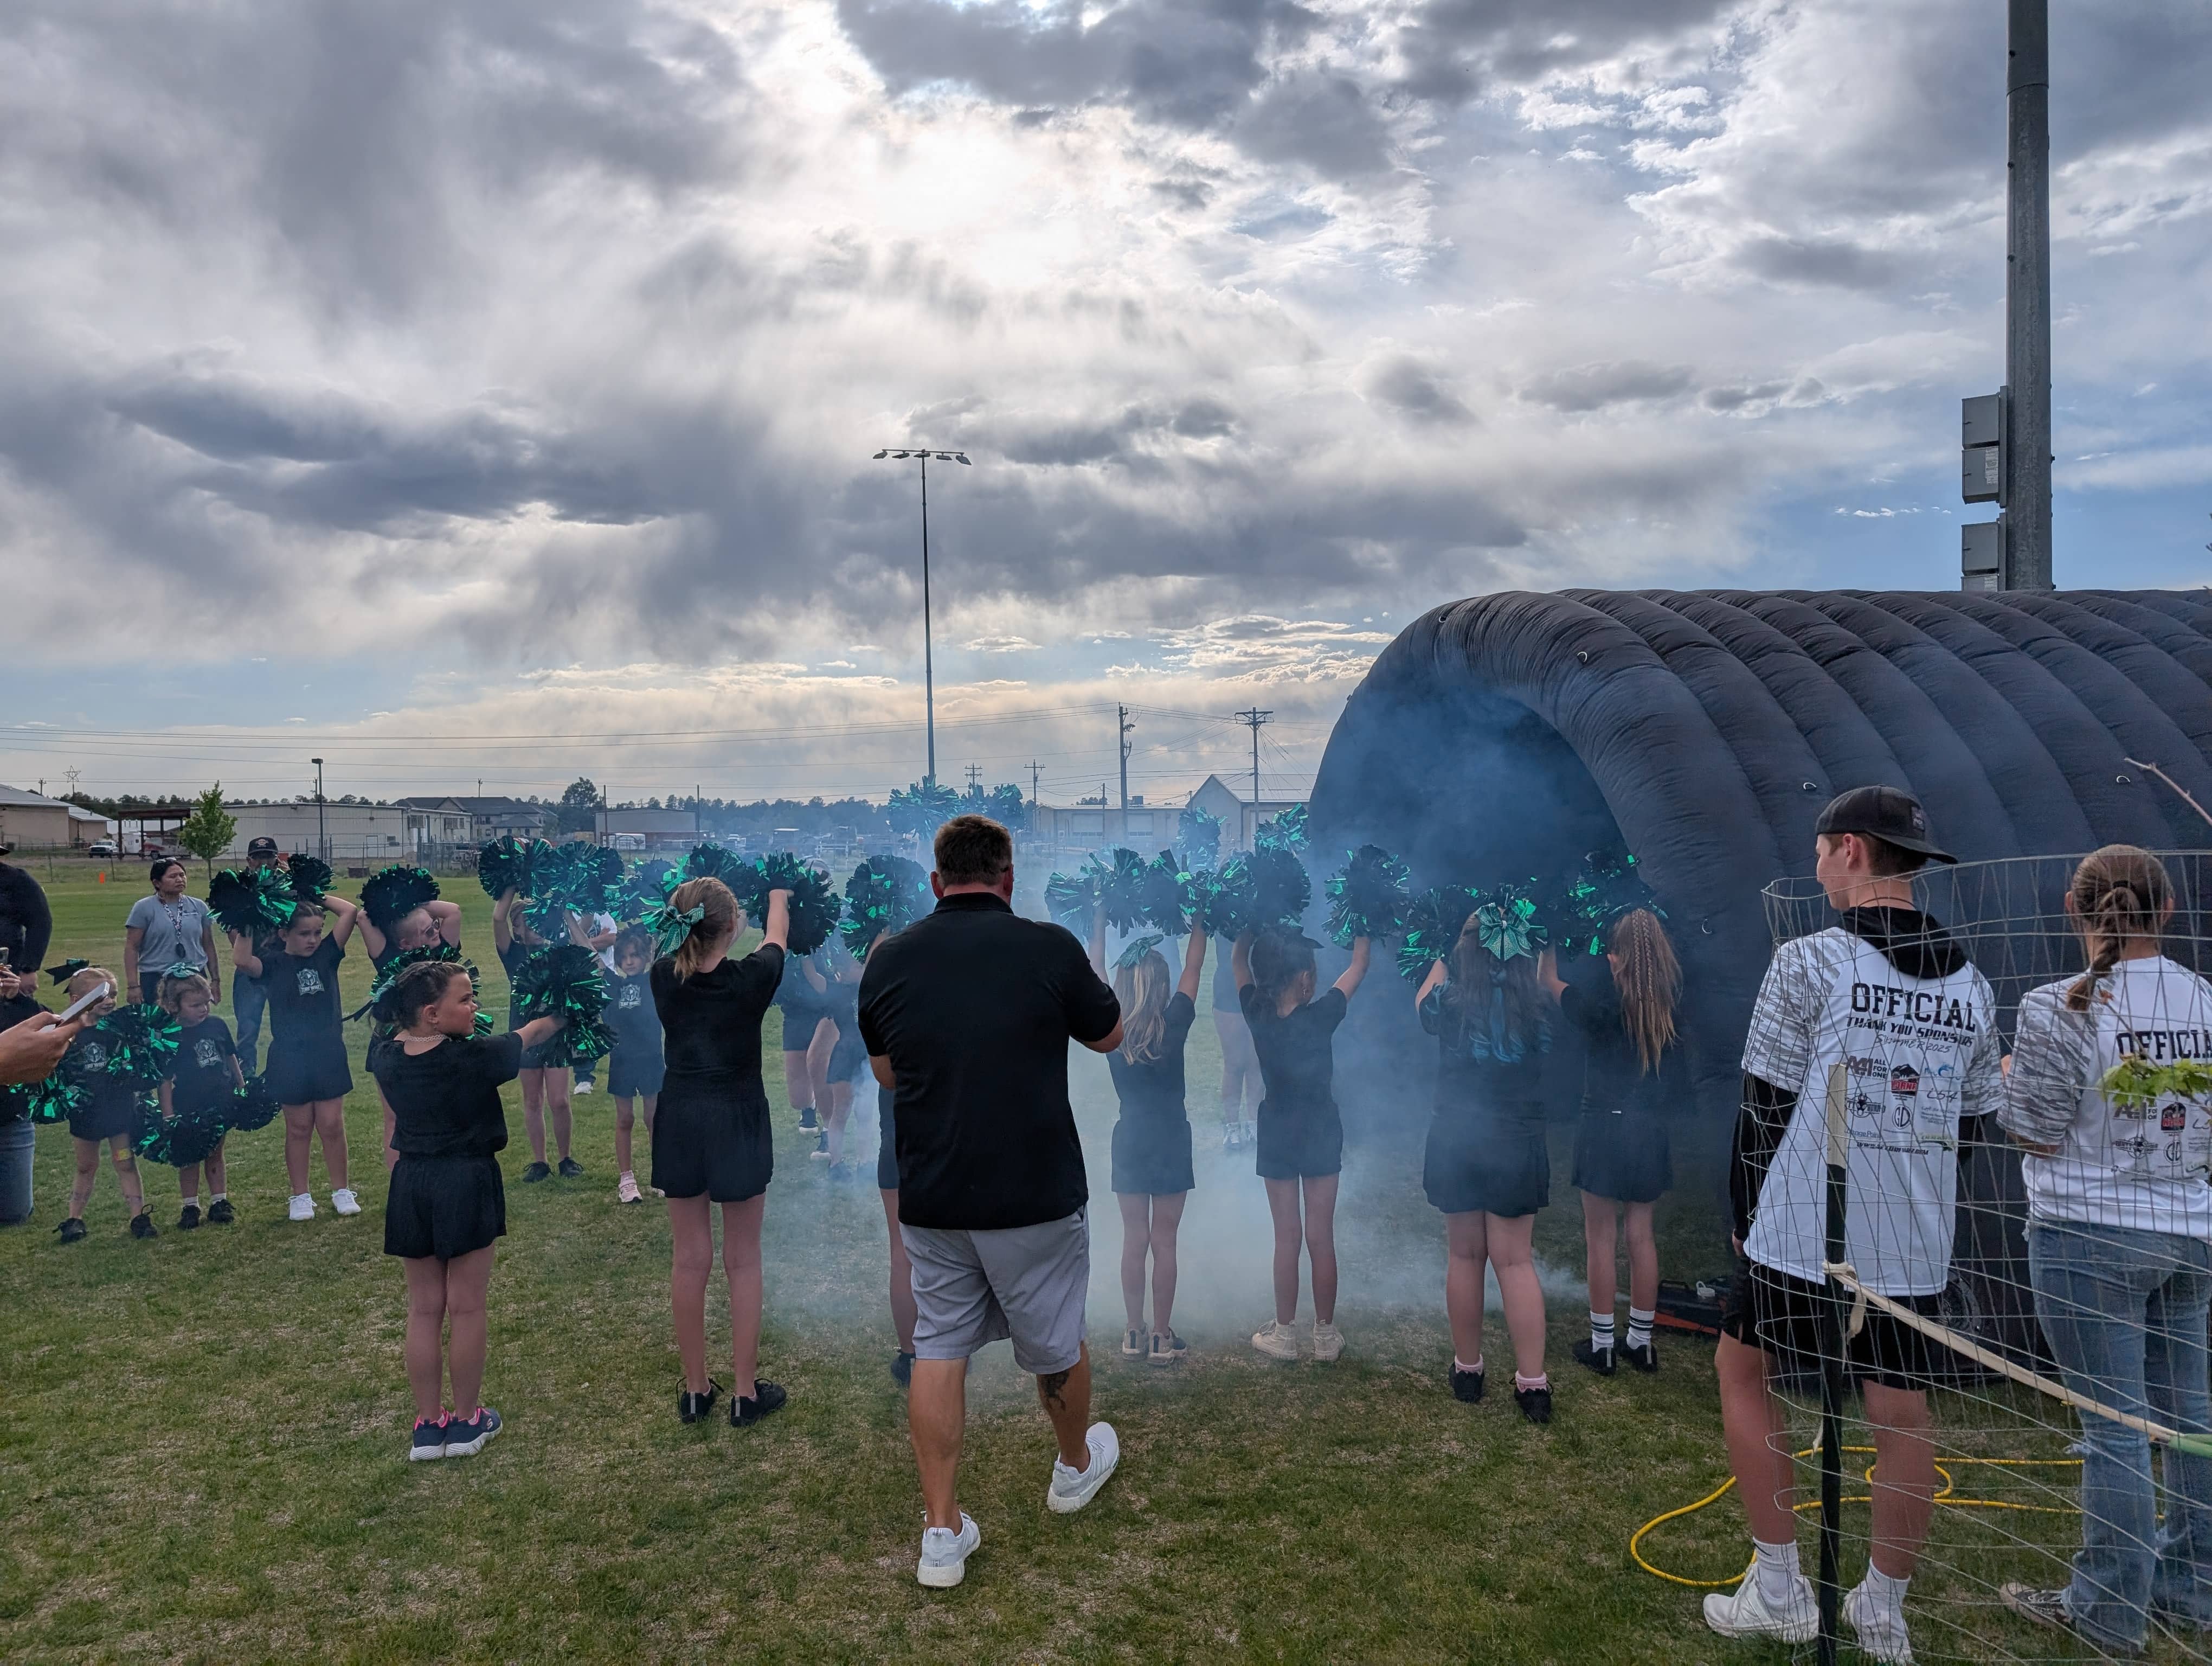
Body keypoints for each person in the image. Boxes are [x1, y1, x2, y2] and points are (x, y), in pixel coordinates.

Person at [1705, 786, 1999, 1663]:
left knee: (1743, 1368)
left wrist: (1743, 1214)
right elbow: (1973, 1122)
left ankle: (1782, 1584)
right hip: (1908, 1234)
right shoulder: (1972, 982)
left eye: (1825, 850)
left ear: (1853, 851)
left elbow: (1764, 1103)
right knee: (1901, 1412)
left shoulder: (1808, 961)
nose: (1820, 867)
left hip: (1801, 1223)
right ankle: (1883, 1610)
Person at [858, 814, 1125, 1590]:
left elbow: (884, 1074)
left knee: (938, 1345)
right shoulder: (1048, 947)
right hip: (1034, 1192)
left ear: (937, 883)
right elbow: (1108, 1035)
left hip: (934, 1190)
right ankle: (1074, 1466)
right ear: (1009, 879)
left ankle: (941, 1533)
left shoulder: (892, 960)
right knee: (1055, 1339)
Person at [1996, 847, 2212, 1651]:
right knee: (2192, 1417)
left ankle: (2109, 1612)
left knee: (2115, 1428)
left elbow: (2034, 1132)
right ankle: (2192, 1590)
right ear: (2169, 909)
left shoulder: (2060, 1004)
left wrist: (2012, 1075)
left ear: (2071, 906)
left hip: (2088, 1236)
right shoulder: (2207, 1001)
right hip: (2192, 1234)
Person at [371, 959, 567, 1462]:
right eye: (466, 999)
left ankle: (427, 1425)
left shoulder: (385, 1055)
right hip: (464, 1179)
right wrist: (567, 1003)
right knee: (466, 1306)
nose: (475, 1007)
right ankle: (466, 1420)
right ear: (433, 1014)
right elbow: (535, 1030)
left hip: (410, 1183)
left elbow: (394, 1030)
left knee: (422, 1308)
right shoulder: (475, 1057)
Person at [651, 875, 792, 1428]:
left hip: (682, 1119)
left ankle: (694, 1390)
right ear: (733, 927)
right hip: (736, 1120)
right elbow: (776, 936)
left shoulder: (663, 976)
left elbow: (685, 952)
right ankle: (742, 1392)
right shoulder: (750, 979)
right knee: (743, 1259)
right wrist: (779, 896)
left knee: (689, 1259)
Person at [1416, 905, 1555, 1420]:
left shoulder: (1447, 1001)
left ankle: (1468, 1370)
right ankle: (1532, 1385)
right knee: (1516, 1261)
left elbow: (1422, 1003)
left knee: (1465, 1257)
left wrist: (1448, 952)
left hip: (1458, 1136)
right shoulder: (1539, 1003)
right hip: (1516, 1140)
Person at [1546, 908, 1687, 1379]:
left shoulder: (1601, 1002)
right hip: (1648, 1129)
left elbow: (1551, 983)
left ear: (1619, 956)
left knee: (1600, 1238)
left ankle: (1603, 1344)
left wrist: (1547, 940)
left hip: (1603, 1126)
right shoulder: (1669, 1003)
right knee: (1641, 1237)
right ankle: (1641, 1343)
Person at [1236, 922, 1371, 1364]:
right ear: (1304, 979)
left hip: (1277, 1128)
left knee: (1287, 1237)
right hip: (1319, 1128)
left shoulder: (1256, 1010)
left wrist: (1244, 927)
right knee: (1320, 1235)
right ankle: (1326, 1336)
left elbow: (1239, 963)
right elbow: (1359, 965)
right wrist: (1365, 922)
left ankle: (1286, 1334)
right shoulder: (1323, 1014)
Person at [1089, 918, 1207, 1367]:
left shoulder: (1114, 1028)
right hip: (1172, 1136)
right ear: (1161, 988)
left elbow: (1095, 966)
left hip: (1131, 1138)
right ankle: (1161, 1335)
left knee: (1134, 1239)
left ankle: (1133, 1331)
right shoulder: (1173, 1021)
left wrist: (1097, 918)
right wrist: (1200, 919)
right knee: (1165, 1241)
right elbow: (1194, 966)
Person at [234, 895, 362, 1222]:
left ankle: (341, 1190)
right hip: (289, 1056)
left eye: (318, 932)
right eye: (305, 933)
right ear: (283, 934)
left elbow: (349, 911)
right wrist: (250, 916)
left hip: (328, 1052)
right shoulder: (273, 963)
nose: (313, 940)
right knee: (300, 1127)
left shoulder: (328, 955)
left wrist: (312, 893)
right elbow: (242, 960)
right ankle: (300, 1195)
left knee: (332, 1125)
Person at [53, 967, 159, 1243]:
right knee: (86, 1166)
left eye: (113, 994)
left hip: (118, 1110)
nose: (110, 1000)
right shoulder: (66, 1032)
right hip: (84, 1114)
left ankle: (139, 1217)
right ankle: (74, 1219)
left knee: (124, 1162)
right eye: (101, 995)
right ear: (77, 998)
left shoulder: (122, 1027)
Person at [492, 887, 581, 1182]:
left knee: (559, 1100)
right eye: (524, 924)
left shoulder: (558, 952)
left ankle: (566, 1157)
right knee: (532, 1099)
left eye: (535, 922)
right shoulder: (514, 955)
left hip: (555, 1035)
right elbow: (497, 919)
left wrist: (564, 912)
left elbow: (584, 946)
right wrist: (509, 887)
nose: (529, 928)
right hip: (524, 1036)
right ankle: (540, 1161)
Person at [154, 970, 242, 1228]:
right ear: (174, 1006)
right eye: (195, 1005)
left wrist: (241, 1085)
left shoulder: (217, 1025)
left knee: (216, 1152)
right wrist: (168, 1114)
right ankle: (190, 1206)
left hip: (219, 1100)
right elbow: (165, 1080)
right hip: (188, 1105)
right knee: (189, 1157)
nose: (203, 1009)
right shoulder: (171, 1035)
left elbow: (230, 1056)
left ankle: (219, 1202)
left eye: (206, 1003)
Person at [605, 926, 665, 1205]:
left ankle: (661, 1174)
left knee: (654, 1119)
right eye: (624, 956)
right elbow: (589, 953)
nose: (630, 961)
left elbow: (671, 950)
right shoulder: (613, 984)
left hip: (651, 1059)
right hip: (622, 1061)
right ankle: (626, 1179)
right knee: (625, 1119)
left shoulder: (655, 981)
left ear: (646, 957)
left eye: (635, 956)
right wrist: (569, 916)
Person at [124, 858, 219, 1007]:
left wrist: (215, 980)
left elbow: (208, 945)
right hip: (156, 978)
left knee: (196, 1023)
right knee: (160, 1026)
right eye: (173, 877)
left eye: (182, 875)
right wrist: (133, 986)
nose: (180, 879)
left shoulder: (198, 906)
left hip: (194, 976)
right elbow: (132, 947)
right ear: (157, 883)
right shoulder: (143, 908)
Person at [227, 837, 282, 1073]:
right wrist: (246, 955)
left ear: (276, 859)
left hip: (282, 964)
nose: (263, 862)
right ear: (249, 860)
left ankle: (286, 1072)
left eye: (268, 856)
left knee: (288, 1022)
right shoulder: (237, 888)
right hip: (250, 966)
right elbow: (230, 928)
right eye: (258, 857)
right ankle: (247, 1077)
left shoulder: (287, 886)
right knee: (247, 1027)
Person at [776, 947, 833, 1138]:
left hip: (830, 1005)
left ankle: (829, 1130)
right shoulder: (783, 923)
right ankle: (810, 1105)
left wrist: (807, 955)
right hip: (795, 1008)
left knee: (817, 1061)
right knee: (798, 1098)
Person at [1212, 948, 1259, 1150]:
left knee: (1256, 1062)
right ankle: (1232, 1128)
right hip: (1228, 984)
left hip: (1261, 980)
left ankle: (1254, 1125)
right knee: (1234, 1063)